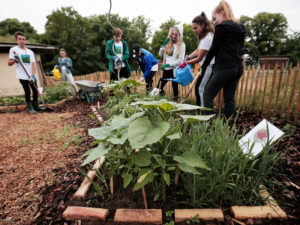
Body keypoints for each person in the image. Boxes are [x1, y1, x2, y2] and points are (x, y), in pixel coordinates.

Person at [201, 0, 246, 117]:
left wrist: (204, 66)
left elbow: (214, 48)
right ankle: (226, 125)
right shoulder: (241, 27)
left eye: (215, 19)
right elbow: (240, 47)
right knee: (229, 98)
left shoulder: (222, 27)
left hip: (225, 67)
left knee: (207, 95)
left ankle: (207, 125)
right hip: (238, 67)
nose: (214, 22)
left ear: (222, 12)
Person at [179, 12, 215, 107]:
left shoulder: (208, 38)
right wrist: (188, 57)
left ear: (202, 25)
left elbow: (199, 58)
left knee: (200, 89)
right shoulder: (204, 36)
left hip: (209, 66)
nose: (193, 30)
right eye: (193, 28)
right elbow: (199, 50)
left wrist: (186, 62)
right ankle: (201, 111)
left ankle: (203, 114)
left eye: (195, 28)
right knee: (198, 88)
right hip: (205, 67)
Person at [8, 31, 44, 114]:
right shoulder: (14, 50)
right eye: (20, 39)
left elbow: (33, 64)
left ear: (25, 40)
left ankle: (36, 106)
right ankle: (30, 108)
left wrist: (33, 75)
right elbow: (9, 63)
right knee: (27, 91)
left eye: (23, 39)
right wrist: (15, 60)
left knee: (35, 90)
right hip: (22, 76)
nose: (22, 41)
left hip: (31, 75)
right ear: (16, 40)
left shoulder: (30, 52)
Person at [158, 25, 186, 100]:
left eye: (176, 35)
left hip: (174, 70)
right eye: (172, 34)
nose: (174, 36)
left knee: (175, 88)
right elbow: (160, 55)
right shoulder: (168, 43)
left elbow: (180, 60)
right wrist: (163, 46)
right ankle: (163, 99)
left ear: (180, 35)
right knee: (159, 87)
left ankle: (175, 102)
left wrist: (169, 64)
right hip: (166, 69)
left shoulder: (182, 45)